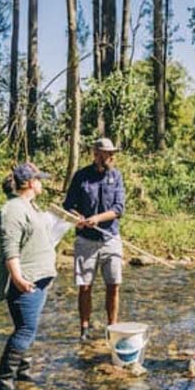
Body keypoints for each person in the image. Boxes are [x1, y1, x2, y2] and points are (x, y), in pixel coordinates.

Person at [0, 163, 56, 390]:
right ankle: (4, 379)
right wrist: (17, 277)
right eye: (38, 179)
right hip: (26, 280)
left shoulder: (30, 206)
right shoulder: (12, 210)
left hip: (38, 277)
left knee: (28, 326)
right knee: (26, 329)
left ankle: (22, 370)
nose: (42, 183)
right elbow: (10, 249)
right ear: (29, 183)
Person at [63, 138, 126, 341]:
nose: (111, 157)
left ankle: (112, 327)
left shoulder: (116, 176)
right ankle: (84, 329)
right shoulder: (81, 176)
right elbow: (68, 206)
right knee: (85, 286)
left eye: (112, 153)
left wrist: (97, 219)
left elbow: (119, 209)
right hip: (85, 240)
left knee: (113, 284)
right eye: (108, 153)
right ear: (96, 154)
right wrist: (78, 218)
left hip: (110, 238)